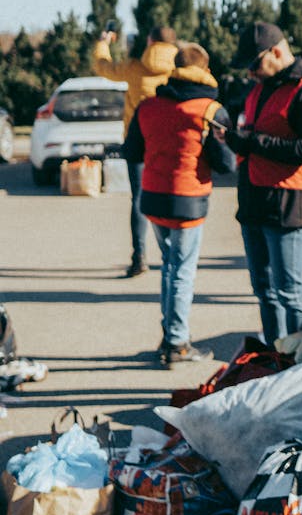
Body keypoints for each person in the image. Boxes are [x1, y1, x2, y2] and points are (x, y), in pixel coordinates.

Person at [123, 43, 236, 366]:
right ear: (205, 70)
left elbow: (132, 151)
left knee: (169, 266)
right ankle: (177, 342)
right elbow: (226, 163)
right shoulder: (210, 110)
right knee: (182, 270)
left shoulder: (148, 106)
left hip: (153, 196)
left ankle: (169, 334)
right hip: (188, 199)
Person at [224, 22, 302, 343]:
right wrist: (235, 139)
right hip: (253, 201)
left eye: (254, 64)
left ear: (276, 52)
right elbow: (257, 136)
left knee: (289, 292)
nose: (251, 73)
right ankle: (276, 356)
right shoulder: (261, 88)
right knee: (264, 291)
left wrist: (253, 142)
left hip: (287, 205)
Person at [93, 26, 178, 278]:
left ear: (150, 41)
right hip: (170, 143)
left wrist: (103, 43)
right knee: (172, 195)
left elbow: (103, 67)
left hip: (138, 142)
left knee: (139, 199)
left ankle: (139, 256)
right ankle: (172, 254)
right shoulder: (179, 69)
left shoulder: (134, 67)